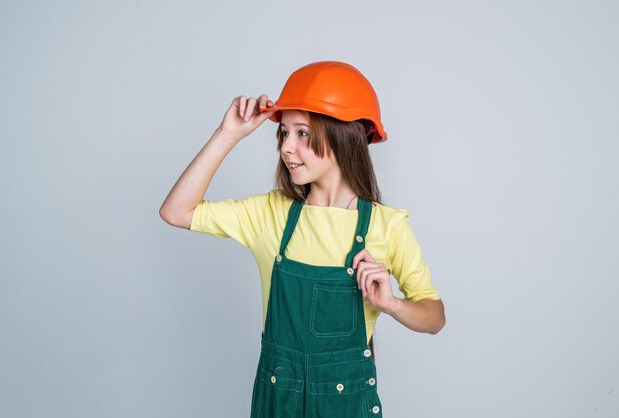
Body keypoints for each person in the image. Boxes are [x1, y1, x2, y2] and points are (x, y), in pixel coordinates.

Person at [159, 61, 445, 418]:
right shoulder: (271, 215)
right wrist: (228, 134)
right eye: (284, 134)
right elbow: (176, 211)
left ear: (344, 135)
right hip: (279, 404)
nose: (286, 148)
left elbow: (434, 317)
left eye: (303, 133)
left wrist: (393, 305)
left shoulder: (387, 226)